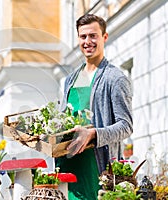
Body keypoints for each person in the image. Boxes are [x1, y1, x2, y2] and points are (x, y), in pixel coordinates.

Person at [56, 14, 133, 199]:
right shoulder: (70, 79)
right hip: (67, 169)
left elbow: (126, 126)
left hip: (96, 171)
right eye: (83, 37)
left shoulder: (115, 78)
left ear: (104, 37)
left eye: (93, 36)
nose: (87, 41)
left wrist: (93, 134)